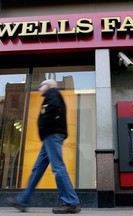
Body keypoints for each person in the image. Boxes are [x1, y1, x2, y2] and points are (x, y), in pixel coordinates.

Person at [6, 79, 81, 214]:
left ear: (49, 85)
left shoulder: (52, 93)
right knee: (37, 170)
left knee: (58, 168)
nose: (40, 87)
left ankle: (71, 202)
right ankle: (23, 200)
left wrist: (43, 123)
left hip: (52, 135)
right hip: (49, 137)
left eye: (42, 85)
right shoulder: (52, 95)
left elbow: (52, 109)